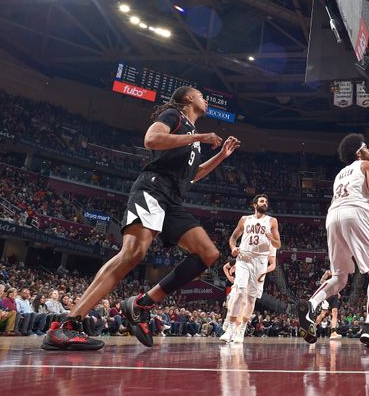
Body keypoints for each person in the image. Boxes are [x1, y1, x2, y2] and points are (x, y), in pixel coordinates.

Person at [43, 86, 241, 351]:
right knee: (132, 253)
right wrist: (203, 137)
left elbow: (192, 176)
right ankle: (67, 326)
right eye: (201, 95)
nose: (205, 100)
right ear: (188, 99)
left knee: (208, 253)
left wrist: (221, 156)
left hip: (173, 199)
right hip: (153, 189)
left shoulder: (192, 136)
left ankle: (142, 304)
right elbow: (151, 139)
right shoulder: (175, 116)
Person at [297, 134, 369, 349]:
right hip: (355, 213)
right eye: (366, 147)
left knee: (340, 278)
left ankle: (311, 305)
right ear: (359, 152)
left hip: (332, 217)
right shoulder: (368, 164)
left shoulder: (340, 174)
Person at [220, 194, 280, 344]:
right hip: (243, 259)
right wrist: (233, 248)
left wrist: (270, 237)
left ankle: (242, 329)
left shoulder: (272, 221)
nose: (264, 203)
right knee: (239, 291)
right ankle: (231, 328)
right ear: (254, 204)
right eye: (261, 201)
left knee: (251, 298)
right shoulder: (245, 219)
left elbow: (278, 244)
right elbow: (233, 238)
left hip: (260, 262)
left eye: (266, 201)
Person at [313, 270, 342, 340]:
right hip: (327, 294)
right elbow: (321, 282)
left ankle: (333, 332)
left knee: (335, 313)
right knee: (323, 313)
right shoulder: (328, 272)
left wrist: (337, 292)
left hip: (334, 295)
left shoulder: (339, 274)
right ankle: (313, 327)